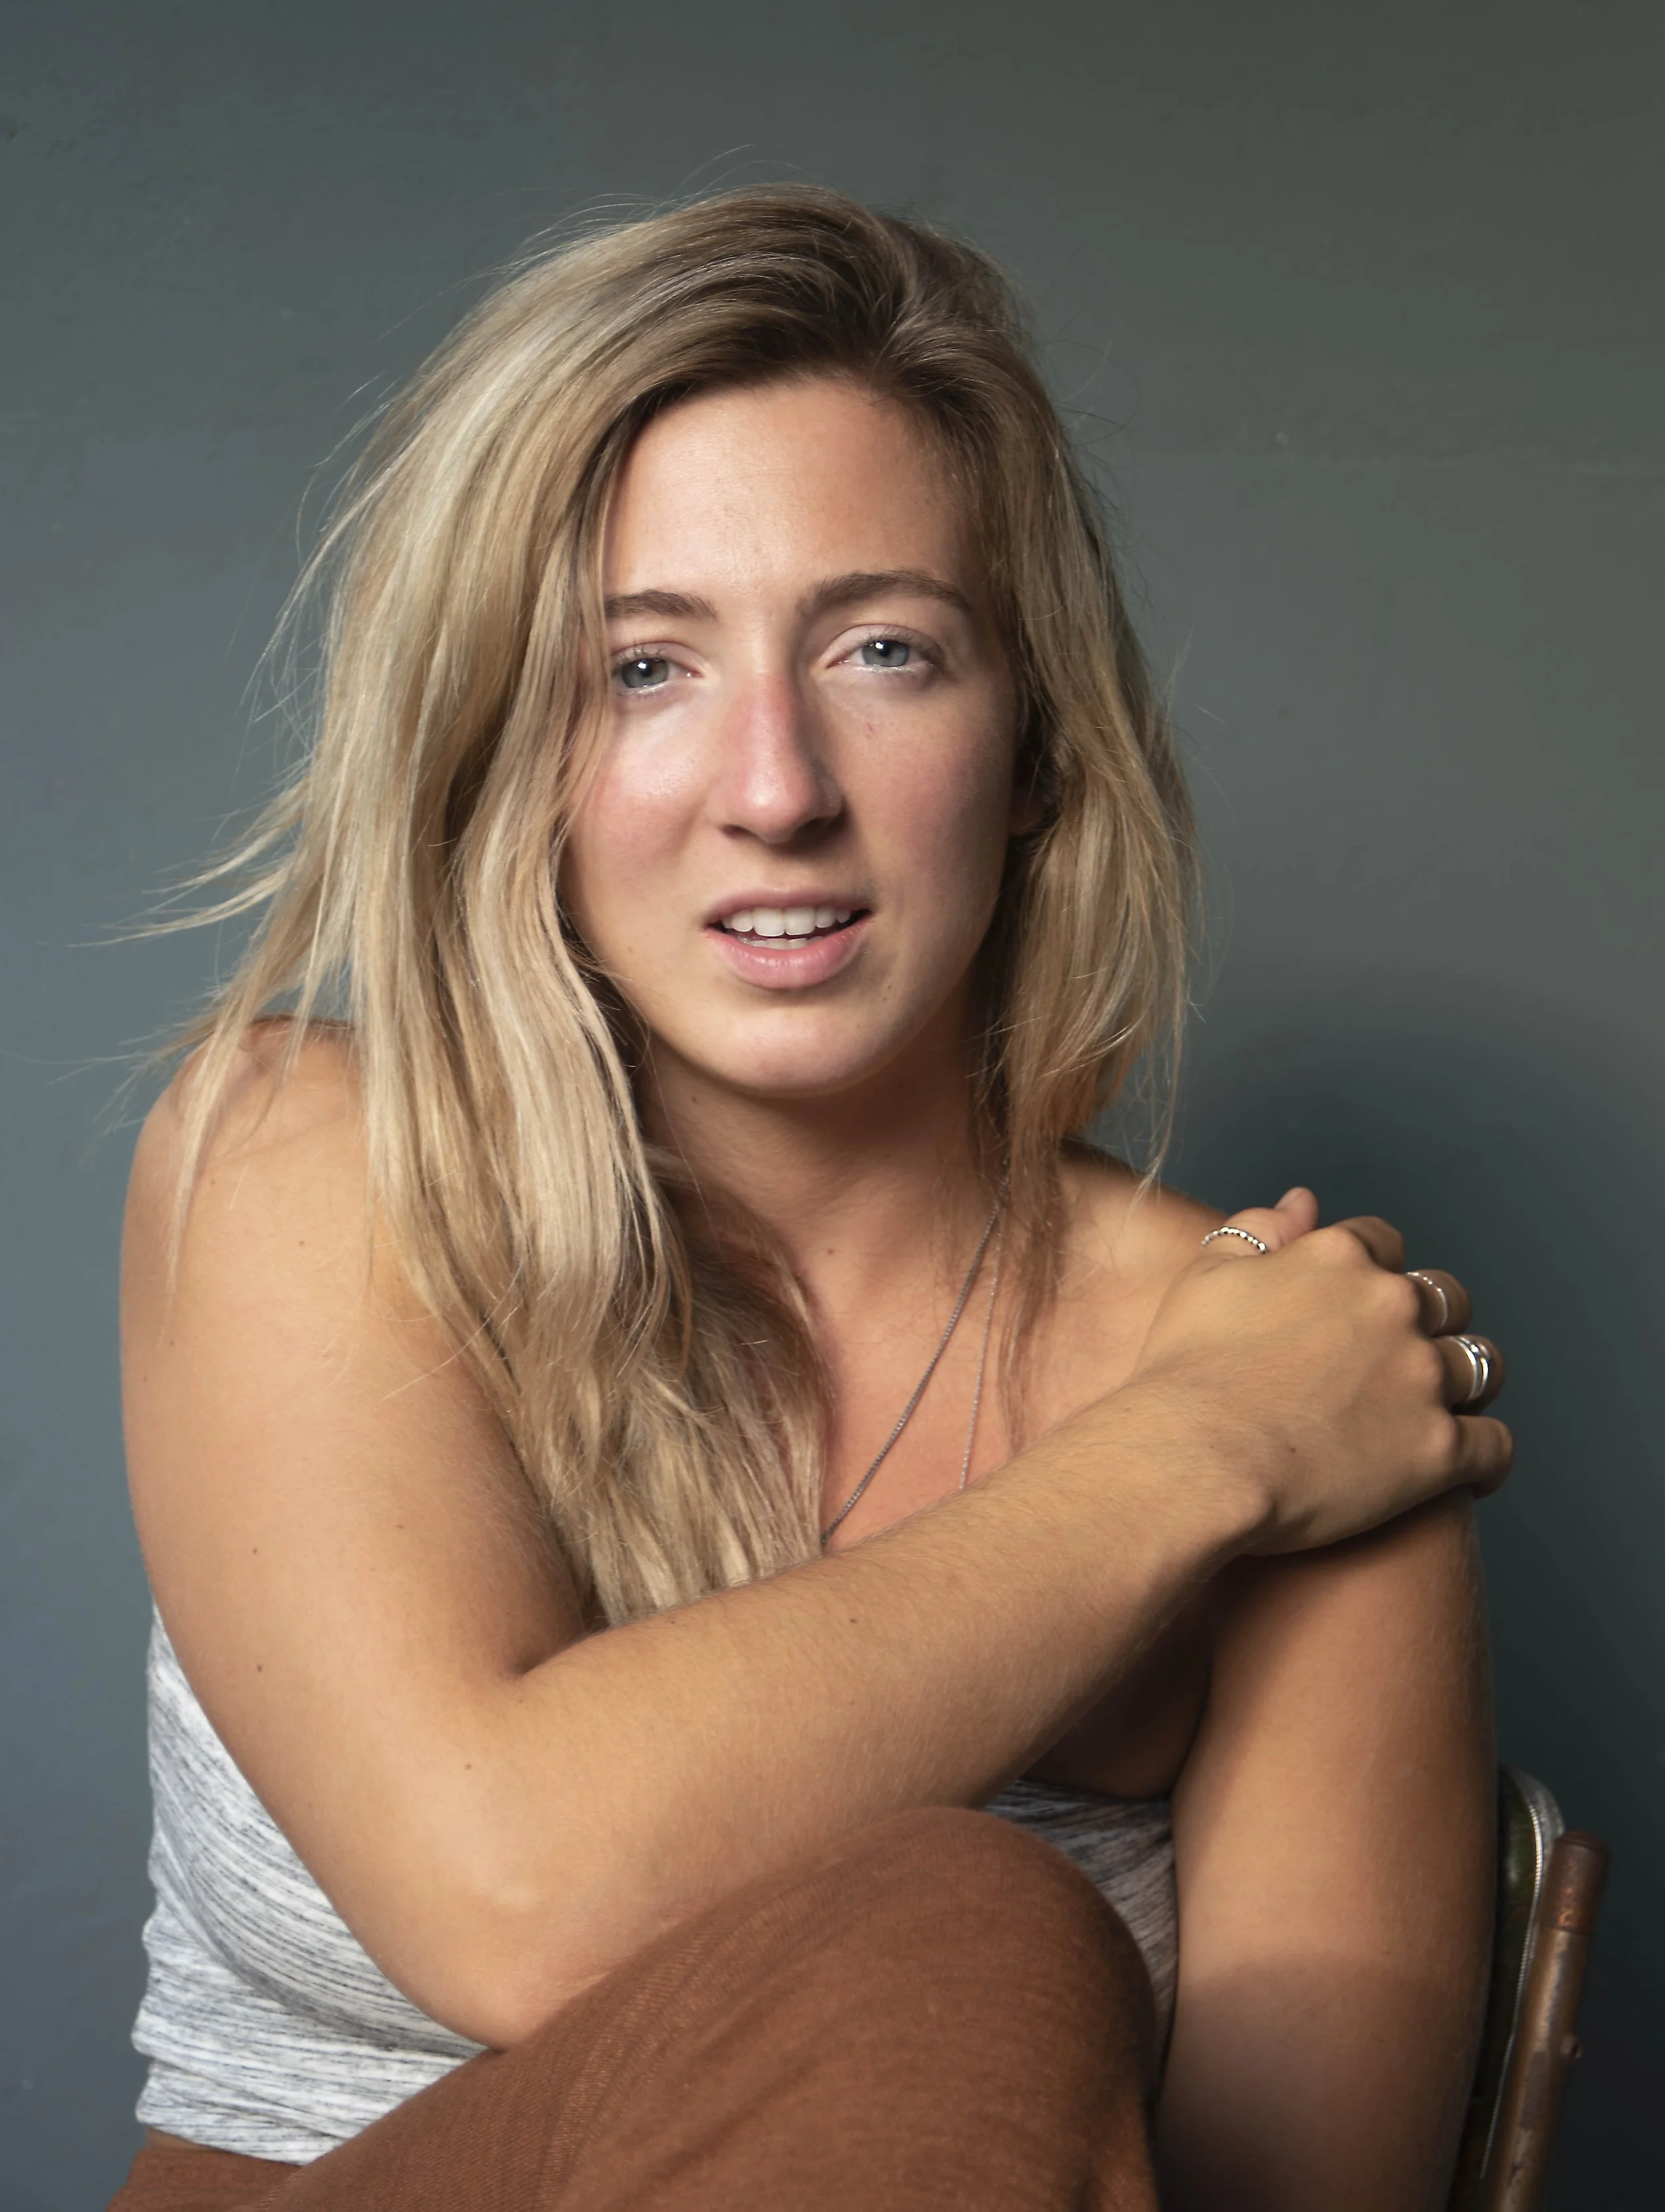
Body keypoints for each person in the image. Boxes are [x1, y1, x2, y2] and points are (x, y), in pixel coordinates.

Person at [110, 186, 1510, 2212]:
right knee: (946, 1928)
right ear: (505, 746)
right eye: (643, 667)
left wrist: (1265, 1418)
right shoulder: (308, 1161)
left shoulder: (1322, 1380)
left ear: (1035, 746)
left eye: (883, 651)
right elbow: (512, 1894)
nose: (775, 787)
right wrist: (1198, 1450)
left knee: (943, 1955)